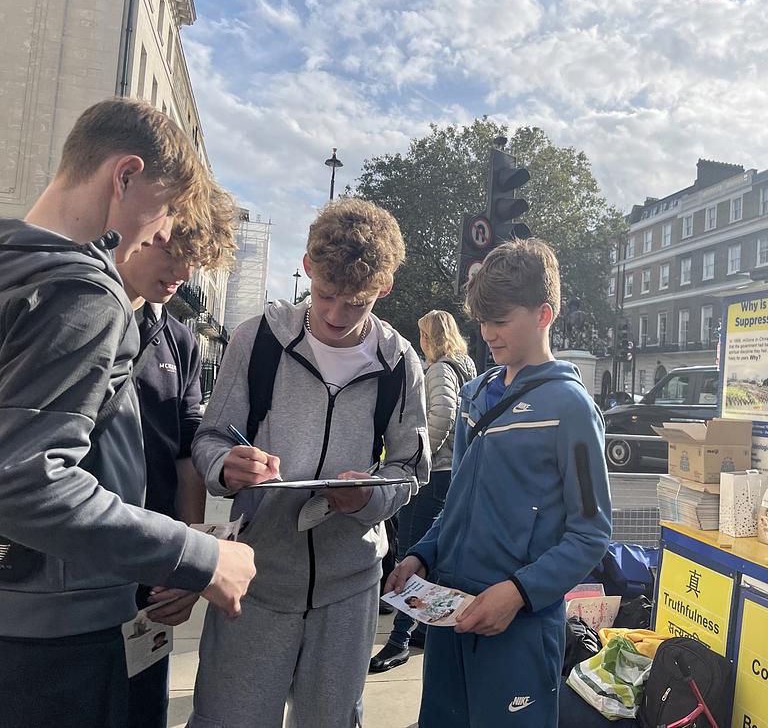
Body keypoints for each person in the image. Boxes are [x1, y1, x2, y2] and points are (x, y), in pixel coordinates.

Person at [0, 98, 255, 728]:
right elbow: (29, 479)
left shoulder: (18, 264)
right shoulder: (86, 292)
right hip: (59, 633)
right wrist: (199, 558)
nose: (161, 231)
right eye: (165, 210)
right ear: (124, 176)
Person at [188, 198, 430, 728]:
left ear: (383, 289)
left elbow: (410, 469)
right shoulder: (257, 340)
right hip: (254, 580)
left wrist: (370, 497)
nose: (335, 314)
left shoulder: (400, 361)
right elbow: (206, 439)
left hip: (350, 587)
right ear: (306, 268)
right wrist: (227, 465)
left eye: (356, 302)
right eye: (325, 294)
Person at [388, 238, 613, 728]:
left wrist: (518, 593)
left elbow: (591, 533)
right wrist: (421, 555)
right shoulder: (477, 394)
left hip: (519, 625)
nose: (488, 332)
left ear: (543, 314)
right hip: (450, 613)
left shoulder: (571, 408)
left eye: (501, 319)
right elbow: (456, 505)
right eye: (482, 320)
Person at [118, 184, 238, 728]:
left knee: (144, 707)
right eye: (174, 251)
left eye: (196, 261)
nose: (184, 273)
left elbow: (188, 455)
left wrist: (190, 559)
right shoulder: (79, 309)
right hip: (68, 564)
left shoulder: (181, 341)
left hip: (153, 564)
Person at [371, 309, 477, 672]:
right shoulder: (467, 369)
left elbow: (442, 415)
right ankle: (418, 630)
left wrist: (419, 457)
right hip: (454, 473)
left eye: (422, 336)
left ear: (430, 338)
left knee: (409, 556)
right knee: (434, 556)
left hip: (434, 474)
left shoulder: (440, 369)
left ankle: (399, 639)